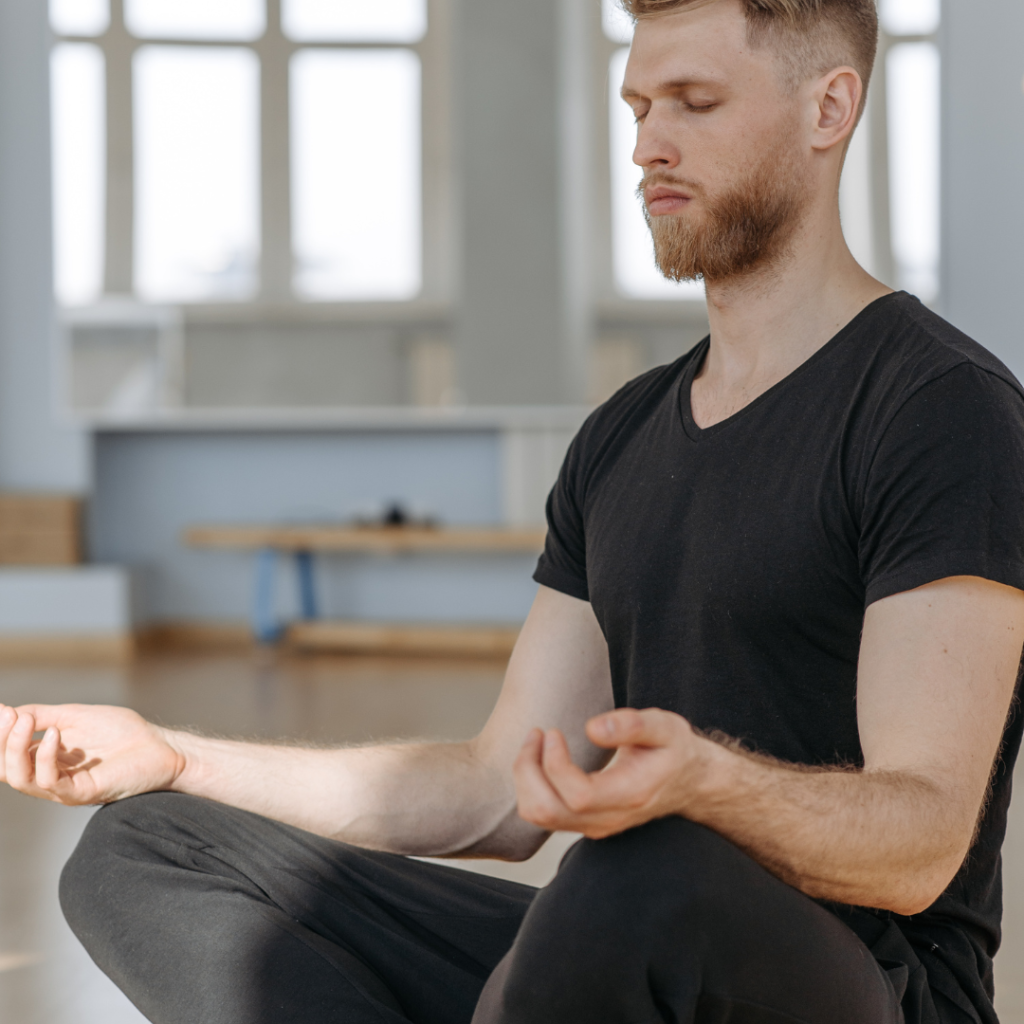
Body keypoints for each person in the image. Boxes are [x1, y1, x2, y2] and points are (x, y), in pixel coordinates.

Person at [3, 0, 1024, 1021]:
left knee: (648, 863)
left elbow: (921, 847)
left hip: (874, 987)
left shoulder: (940, 409)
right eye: (638, 108)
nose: (648, 147)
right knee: (144, 843)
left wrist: (708, 786)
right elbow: (497, 788)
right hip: (617, 956)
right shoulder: (621, 436)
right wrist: (178, 756)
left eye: (695, 103)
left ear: (828, 109)